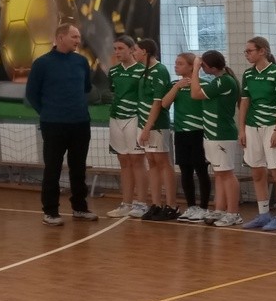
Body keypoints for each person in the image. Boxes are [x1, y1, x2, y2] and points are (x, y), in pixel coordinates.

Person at [26, 23, 97, 226]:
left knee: (79, 168)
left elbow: (85, 88)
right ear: (60, 38)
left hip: (80, 123)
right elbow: (32, 94)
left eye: (78, 37)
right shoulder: (42, 63)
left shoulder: (81, 61)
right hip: (53, 124)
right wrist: (48, 112)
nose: (78, 41)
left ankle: (80, 208)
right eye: (74, 37)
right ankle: (50, 212)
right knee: (53, 168)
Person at [238, 37, 276, 231]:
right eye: (245, 51)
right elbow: (244, 102)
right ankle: (263, 214)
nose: (246, 54)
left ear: (262, 51)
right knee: (257, 171)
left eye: (249, 51)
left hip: (271, 126)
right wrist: (241, 129)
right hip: (252, 127)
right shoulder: (248, 74)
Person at [190, 51, 241, 225]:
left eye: (203, 65)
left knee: (227, 174)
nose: (201, 67)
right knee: (219, 174)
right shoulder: (217, 81)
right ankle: (220, 209)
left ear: (212, 67)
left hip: (222, 134)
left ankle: (233, 213)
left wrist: (195, 70)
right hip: (212, 133)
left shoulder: (224, 81)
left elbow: (195, 94)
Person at [163, 53, 211, 223]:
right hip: (181, 132)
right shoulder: (174, 85)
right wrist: (177, 87)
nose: (176, 66)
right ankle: (191, 207)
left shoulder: (204, 84)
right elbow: (164, 104)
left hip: (199, 132)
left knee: (201, 170)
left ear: (192, 66)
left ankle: (204, 208)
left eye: (180, 63)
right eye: (176, 63)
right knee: (185, 170)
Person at [136, 38, 178, 220]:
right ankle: (156, 204)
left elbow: (158, 102)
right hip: (144, 123)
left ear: (145, 51)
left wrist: (147, 127)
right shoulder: (144, 70)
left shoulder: (160, 70)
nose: (133, 53)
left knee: (163, 163)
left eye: (135, 50)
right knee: (151, 162)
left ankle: (172, 205)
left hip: (157, 124)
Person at [105, 35, 147, 218]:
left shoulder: (142, 70)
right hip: (116, 118)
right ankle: (126, 203)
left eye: (120, 48)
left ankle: (142, 203)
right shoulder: (114, 71)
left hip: (134, 118)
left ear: (131, 49)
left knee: (137, 160)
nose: (117, 52)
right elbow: (113, 92)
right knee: (123, 161)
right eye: (115, 49)